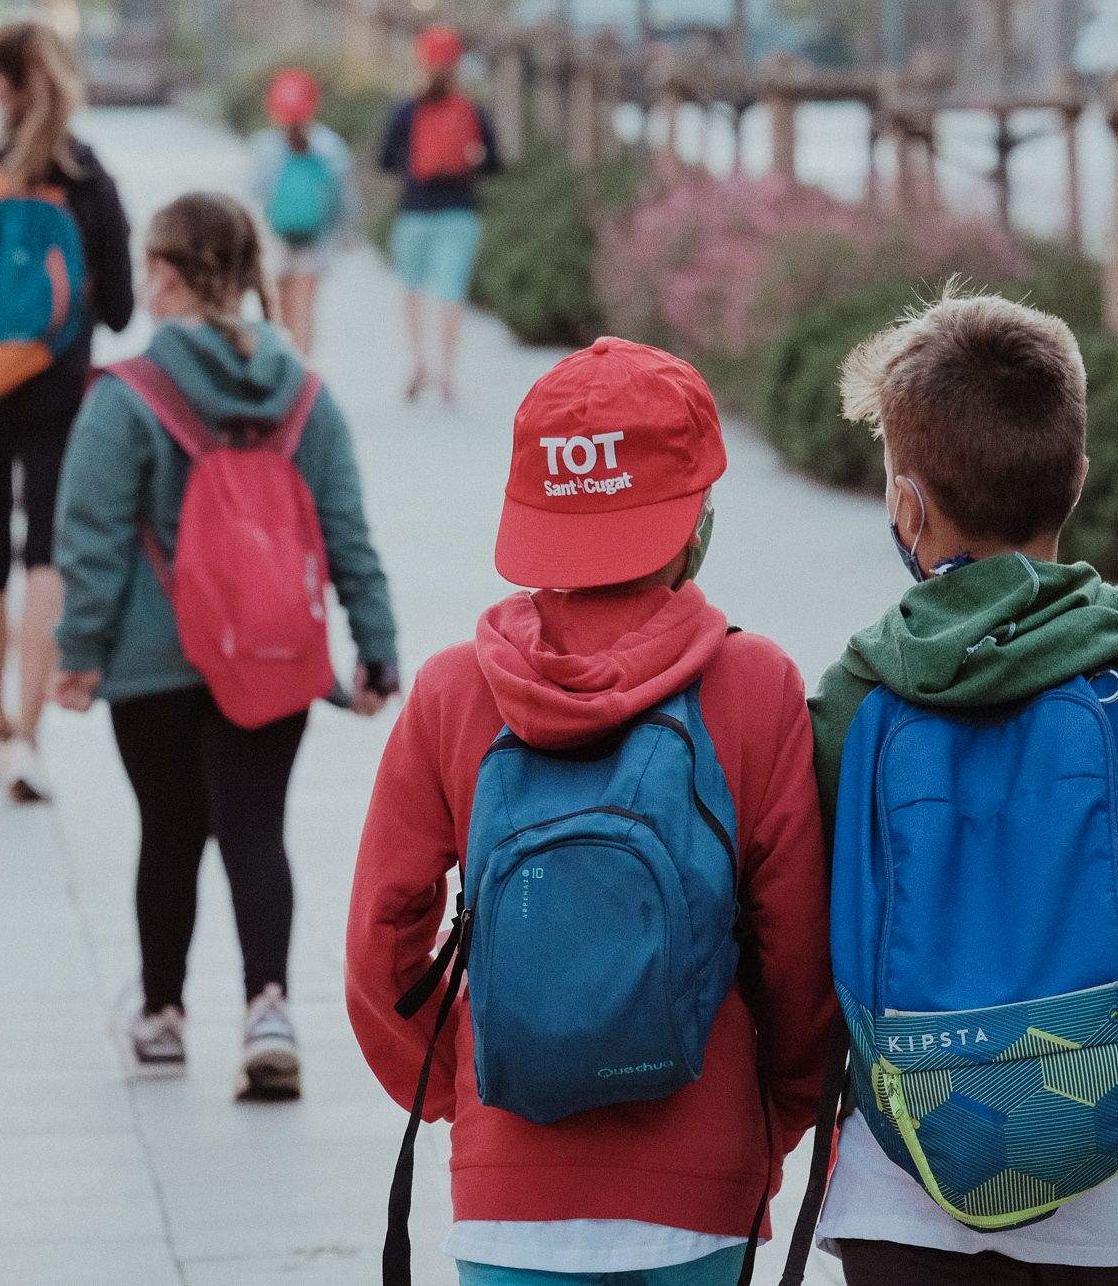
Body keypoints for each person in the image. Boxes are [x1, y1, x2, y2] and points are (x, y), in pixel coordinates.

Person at [804, 292, 1118, 1284]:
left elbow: (800, 917)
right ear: (1074, 477)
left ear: (907, 503)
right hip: (1112, 1178)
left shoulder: (858, 695)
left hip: (902, 1185)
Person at [346, 338, 836, 1284]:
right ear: (696, 513)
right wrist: (771, 1114)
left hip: (506, 1203)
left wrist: (468, 1087)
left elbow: (380, 943)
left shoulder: (455, 692)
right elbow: (799, 956)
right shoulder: (753, 683)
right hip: (701, 1188)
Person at [52, 191, 398, 1098]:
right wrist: (376, 645)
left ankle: (163, 1015)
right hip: (275, 657)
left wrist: (80, 649)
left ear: (163, 274)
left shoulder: (129, 396)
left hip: (152, 660)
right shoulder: (305, 396)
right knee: (254, 825)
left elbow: (90, 533)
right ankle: (269, 1006)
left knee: (167, 831)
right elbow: (345, 529)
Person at [0, 18, 134, 802]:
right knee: (47, 549)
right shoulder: (89, 174)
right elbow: (117, 308)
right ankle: (33, 738)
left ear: (0, 83)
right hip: (61, 385)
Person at [378, 25, 499, 406]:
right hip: (460, 212)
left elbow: (384, 160)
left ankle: (419, 362)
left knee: (412, 290)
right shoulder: (473, 111)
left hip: (414, 212)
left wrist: (415, 165)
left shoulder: (405, 111)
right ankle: (447, 372)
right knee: (451, 294)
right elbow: (495, 163)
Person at [248, 69, 358, 359]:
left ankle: (282, 367)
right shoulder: (330, 145)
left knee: (278, 310)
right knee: (305, 309)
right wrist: (346, 234)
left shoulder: (264, 146)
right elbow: (342, 198)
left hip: (275, 237)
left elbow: (255, 195)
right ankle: (302, 371)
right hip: (315, 237)